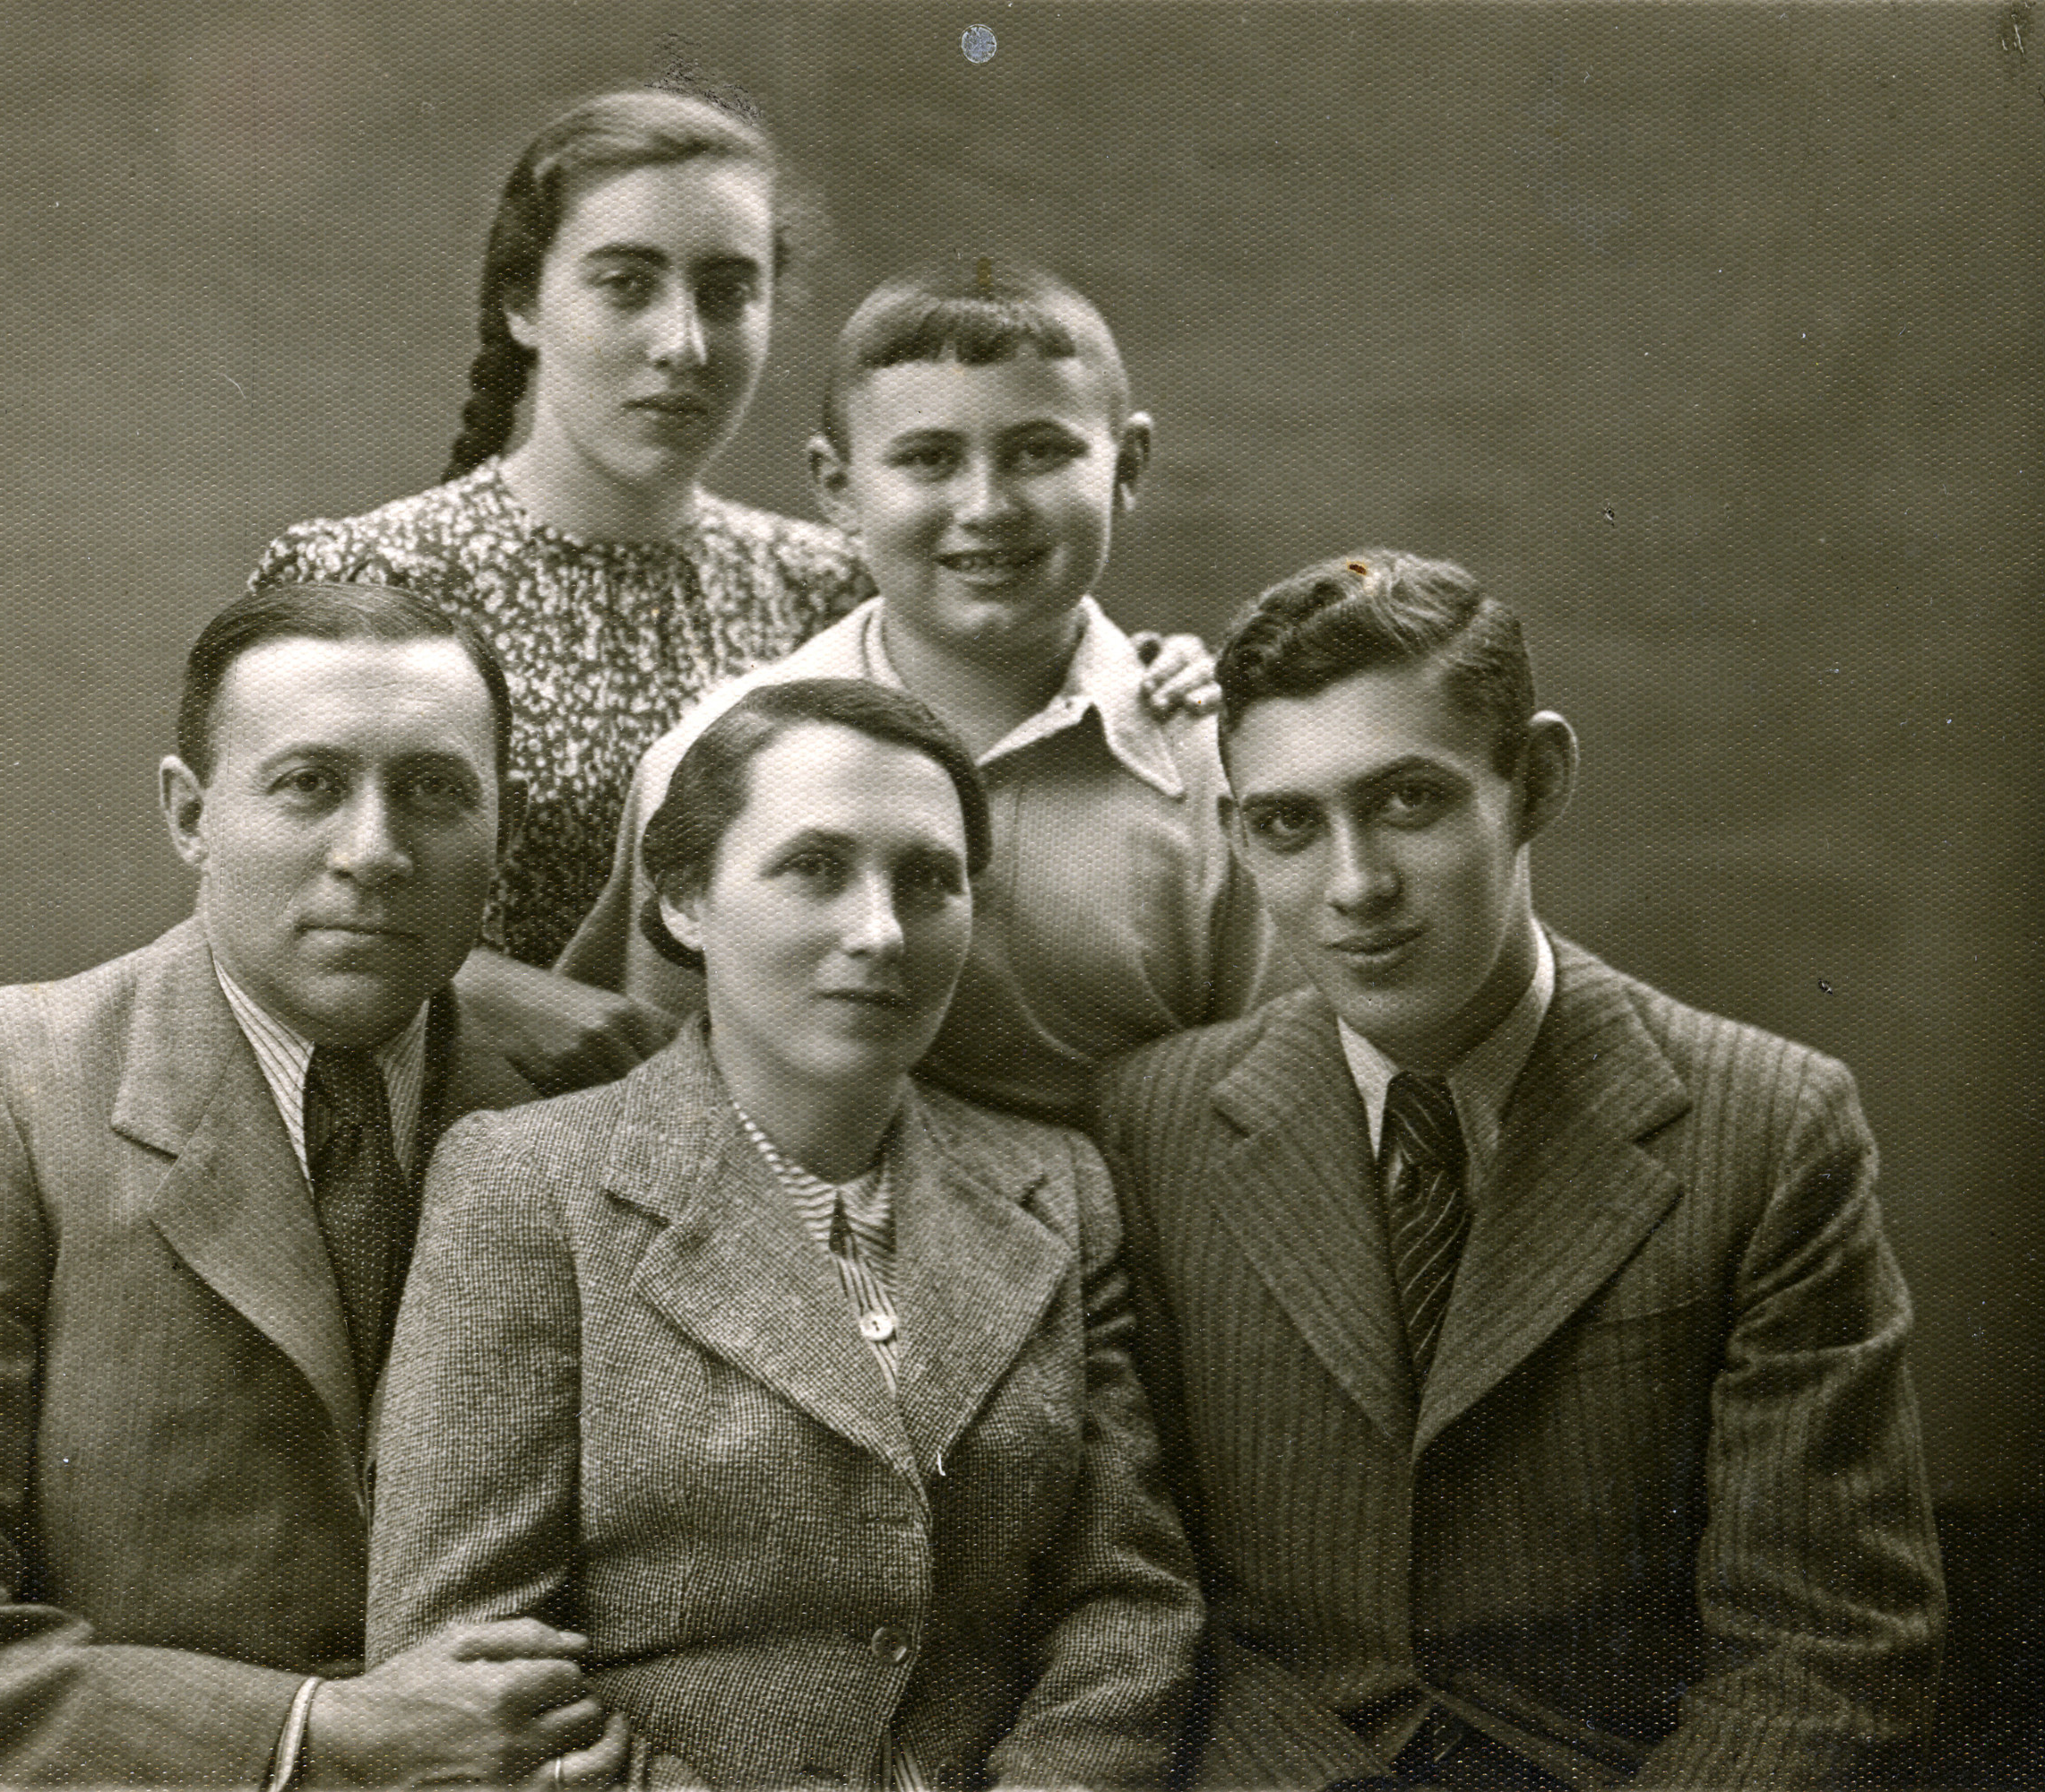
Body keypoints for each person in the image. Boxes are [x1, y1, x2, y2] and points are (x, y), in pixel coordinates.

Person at [1092, 550, 1946, 1790]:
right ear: (1235, 835)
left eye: (1408, 803)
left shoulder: (1768, 1129)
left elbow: (1825, 1647)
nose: (1355, 887)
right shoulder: (1153, 1123)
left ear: (1533, 781)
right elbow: (1137, 1594)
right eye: (1289, 825)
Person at [0, 584, 631, 1787]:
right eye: (308, 784)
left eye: (434, 790)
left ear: (503, 824)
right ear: (189, 814)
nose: (373, 852)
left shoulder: (574, 1119)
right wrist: (317, 1742)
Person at [255, 90, 1212, 1094]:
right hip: (455, 1110)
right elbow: (256, 895)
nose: (684, 342)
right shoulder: (376, 578)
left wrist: (1146, 684)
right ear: (524, 305)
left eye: (726, 290)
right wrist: (484, 991)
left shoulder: (828, 576)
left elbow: (1016, 733)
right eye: (626, 284)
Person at [368, 677, 1204, 1790]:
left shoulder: (1055, 1184)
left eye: (928, 880)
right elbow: (465, 1652)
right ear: (685, 903)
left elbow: (1127, 1600)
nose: (879, 930)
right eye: (813, 867)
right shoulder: (527, 1184)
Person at [557, 260, 1280, 1128]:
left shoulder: (1222, 768)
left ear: (1126, 465)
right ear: (838, 488)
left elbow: (1271, 1102)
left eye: (1039, 451)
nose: (986, 506)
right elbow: (660, 1089)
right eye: (928, 458)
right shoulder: (711, 758)